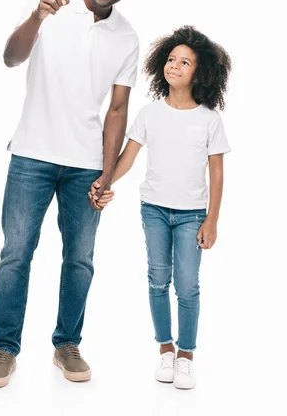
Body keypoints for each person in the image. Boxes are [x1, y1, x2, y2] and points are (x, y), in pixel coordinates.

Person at [0, 0, 140, 387]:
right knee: (15, 255)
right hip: (31, 154)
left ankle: (67, 344)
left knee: (81, 260)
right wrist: (36, 17)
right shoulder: (54, 8)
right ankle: (4, 348)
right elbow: (11, 58)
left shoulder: (127, 37)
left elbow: (117, 111)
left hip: (86, 165)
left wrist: (106, 174)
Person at [93, 25, 231, 390]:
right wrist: (105, 183)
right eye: (171, 59)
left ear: (199, 73)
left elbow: (216, 174)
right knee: (158, 280)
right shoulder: (149, 114)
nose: (174, 66)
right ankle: (165, 350)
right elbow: (127, 158)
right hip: (153, 209)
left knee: (187, 286)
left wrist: (212, 220)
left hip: (191, 216)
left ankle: (186, 356)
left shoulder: (209, 120)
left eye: (185, 62)